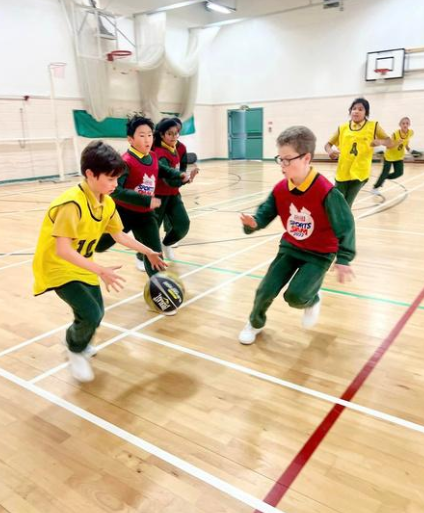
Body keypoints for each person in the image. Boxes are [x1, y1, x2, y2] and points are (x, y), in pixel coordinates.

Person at [33, 141, 166, 382]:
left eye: (117, 179)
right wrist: (101, 270)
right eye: (111, 179)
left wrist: (148, 251)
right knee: (91, 313)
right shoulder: (71, 204)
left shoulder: (106, 201)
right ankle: (75, 349)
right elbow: (63, 250)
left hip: (82, 265)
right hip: (57, 267)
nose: (116, 185)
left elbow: (119, 234)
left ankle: (75, 338)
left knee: (97, 312)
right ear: (90, 174)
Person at [239, 126, 355, 345]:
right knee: (265, 289)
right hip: (291, 247)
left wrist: (344, 257)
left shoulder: (326, 191)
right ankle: (255, 323)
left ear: (306, 158)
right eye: (279, 159)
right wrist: (254, 223)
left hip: (320, 254)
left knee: (295, 297)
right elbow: (265, 213)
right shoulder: (281, 189)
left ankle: (312, 299)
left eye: (287, 160)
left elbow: (346, 225)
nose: (282, 165)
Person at [95, 115, 189, 274]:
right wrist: (145, 200)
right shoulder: (125, 162)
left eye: (150, 135)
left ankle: (158, 289)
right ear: (130, 139)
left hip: (145, 215)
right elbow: (116, 191)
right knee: (99, 245)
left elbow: (161, 169)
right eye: (142, 135)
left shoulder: (151, 156)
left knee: (155, 253)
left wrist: (178, 175)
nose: (147, 140)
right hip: (123, 214)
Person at [324, 97, 393, 207]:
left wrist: (380, 141)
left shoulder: (373, 126)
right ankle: (339, 223)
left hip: (360, 173)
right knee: (337, 204)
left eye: (361, 109)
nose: (356, 111)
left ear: (366, 113)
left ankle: (344, 223)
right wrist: (330, 151)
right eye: (354, 108)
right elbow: (327, 145)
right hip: (342, 171)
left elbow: (389, 142)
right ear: (350, 111)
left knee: (347, 204)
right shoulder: (342, 128)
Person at [152, 118, 198, 260]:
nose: (174, 136)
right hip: (157, 197)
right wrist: (183, 178)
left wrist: (185, 177)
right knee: (152, 230)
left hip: (173, 195)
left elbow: (180, 170)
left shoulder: (178, 148)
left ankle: (167, 244)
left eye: (176, 133)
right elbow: (170, 181)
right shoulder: (159, 153)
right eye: (170, 133)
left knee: (183, 225)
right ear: (162, 135)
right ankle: (141, 257)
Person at [372, 116, 414, 194]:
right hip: (389, 156)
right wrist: (397, 143)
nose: (405, 125)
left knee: (399, 173)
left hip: (399, 157)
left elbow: (406, 145)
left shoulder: (411, 132)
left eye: (407, 123)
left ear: (409, 124)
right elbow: (388, 146)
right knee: (384, 172)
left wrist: (411, 151)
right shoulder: (395, 134)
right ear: (400, 125)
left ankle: (384, 178)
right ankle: (375, 187)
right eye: (403, 123)